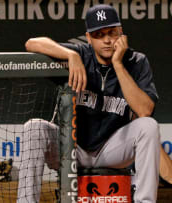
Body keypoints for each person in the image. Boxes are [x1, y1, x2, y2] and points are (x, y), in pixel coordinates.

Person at [17, 4, 160, 203]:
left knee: (149, 126)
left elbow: (145, 110)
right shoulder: (81, 54)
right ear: (89, 37)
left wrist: (118, 64)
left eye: (112, 33)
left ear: (121, 32)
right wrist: (70, 55)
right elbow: (32, 43)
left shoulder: (136, 61)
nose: (108, 40)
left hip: (112, 149)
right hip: (71, 149)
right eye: (99, 35)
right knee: (33, 127)